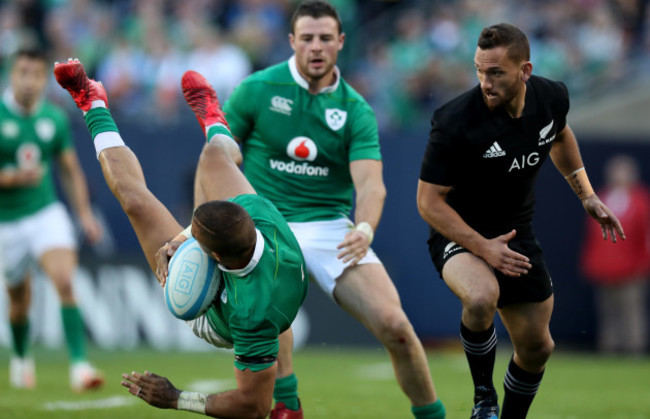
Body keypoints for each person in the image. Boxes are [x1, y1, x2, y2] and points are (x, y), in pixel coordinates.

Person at [221, 1, 445, 418]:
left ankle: (433, 415)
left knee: (396, 327)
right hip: (266, 223)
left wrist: (364, 228)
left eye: (325, 38)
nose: (316, 47)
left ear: (341, 42)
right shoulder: (256, 90)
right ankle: (287, 406)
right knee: (270, 302)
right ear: (292, 42)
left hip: (328, 226)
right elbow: (218, 157)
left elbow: (370, 184)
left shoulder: (356, 110)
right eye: (307, 38)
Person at [54, 58, 308, 418]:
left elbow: (252, 406)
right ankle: (209, 118)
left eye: (193, 239)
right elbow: (215, 222)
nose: (182, 240)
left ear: (213, 256)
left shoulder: (251, 315)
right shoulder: (262, 216)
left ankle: (90, 103)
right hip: (263, 273)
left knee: (134, 199)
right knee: (216, 155)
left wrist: (176, 397)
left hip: (215, 314)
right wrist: (184, 236)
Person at [416, 23, 626, 419]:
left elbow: (560, 136)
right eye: (479, 70)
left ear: (525, 71)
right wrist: (483, 248)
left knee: (537, 347)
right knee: (480, 297)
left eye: (495, 72)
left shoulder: (551, 97)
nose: (485, 82)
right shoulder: (455, 120)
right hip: (461, 232)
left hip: (516, 232)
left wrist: (588, 196)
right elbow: (428, 203)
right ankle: (484, 399)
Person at [0, 48, 104, 392]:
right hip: (7, 221)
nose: (29, 82)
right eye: (22, 73)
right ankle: (20, 356)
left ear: (45, 79)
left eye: (35, 75)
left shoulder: (53, 118)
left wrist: (84, 213)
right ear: (11, 75)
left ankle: (79, 366)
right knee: (19, 300)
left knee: (64, 281)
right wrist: (11, 179)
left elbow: (70, 168)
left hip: (45, 211)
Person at [580, 154, 649, 355]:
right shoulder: (599, 198)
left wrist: (642, 264)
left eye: (623, 172)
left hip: (632, 268)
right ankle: (608, 348)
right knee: (607, 311)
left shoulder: (641, 201)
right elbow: (592, 236)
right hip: (605, 267)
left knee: (631, 310)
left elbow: (644, 236)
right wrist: (592, 262)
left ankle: (634, 348)